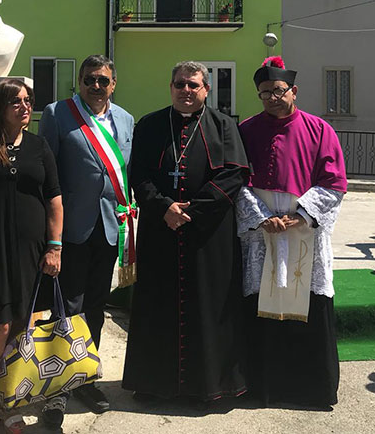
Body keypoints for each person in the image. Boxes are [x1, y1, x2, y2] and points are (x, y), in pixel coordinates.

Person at [122, 61, 250, 405]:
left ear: (206, 89)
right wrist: (164, 207)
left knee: (208, 308)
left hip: (208, 233)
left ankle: (206, 386)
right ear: (171, 87)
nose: (186, 90)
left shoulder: (224, 125)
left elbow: (236, 174)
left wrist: (192, 210)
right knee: (157, 306)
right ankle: (153, 384)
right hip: (160, 228)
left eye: (194, 85)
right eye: (180, 84)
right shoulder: (150, 125)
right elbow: (139, 175)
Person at [236, 56, 347, 409]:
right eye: (264, 92)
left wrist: (302, 216)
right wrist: (260, 216)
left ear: (293, 91)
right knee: (260, 303)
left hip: (304, 231)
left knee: (309, 302)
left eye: (278, 91)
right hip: (262, 232)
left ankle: (310, 389)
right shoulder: (247, 130)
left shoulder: (319, 129)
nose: (271, 97)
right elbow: (236, 180)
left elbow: (335, 182)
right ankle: (263, 387)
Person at [37, 55, 134, 424]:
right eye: (90, 80)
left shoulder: (125, 119)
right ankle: (57, 386)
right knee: (66, 306)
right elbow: (49, 174)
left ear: (114, 83)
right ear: (80, 81)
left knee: (95, 307)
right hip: (71, 229)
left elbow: (125, 171)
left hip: (109, 228)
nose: (97, 86)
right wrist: (52, 237)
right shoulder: (58, 113)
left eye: (103, 81)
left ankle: (85, 377)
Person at [0, 79, 64, 434]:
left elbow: (53, 197)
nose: (24, 106)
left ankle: (9, 402)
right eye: (15, 101)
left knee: (23, 327)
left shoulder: (39, 146)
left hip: (32, 250)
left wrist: (55, 246)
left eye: (28, 100)